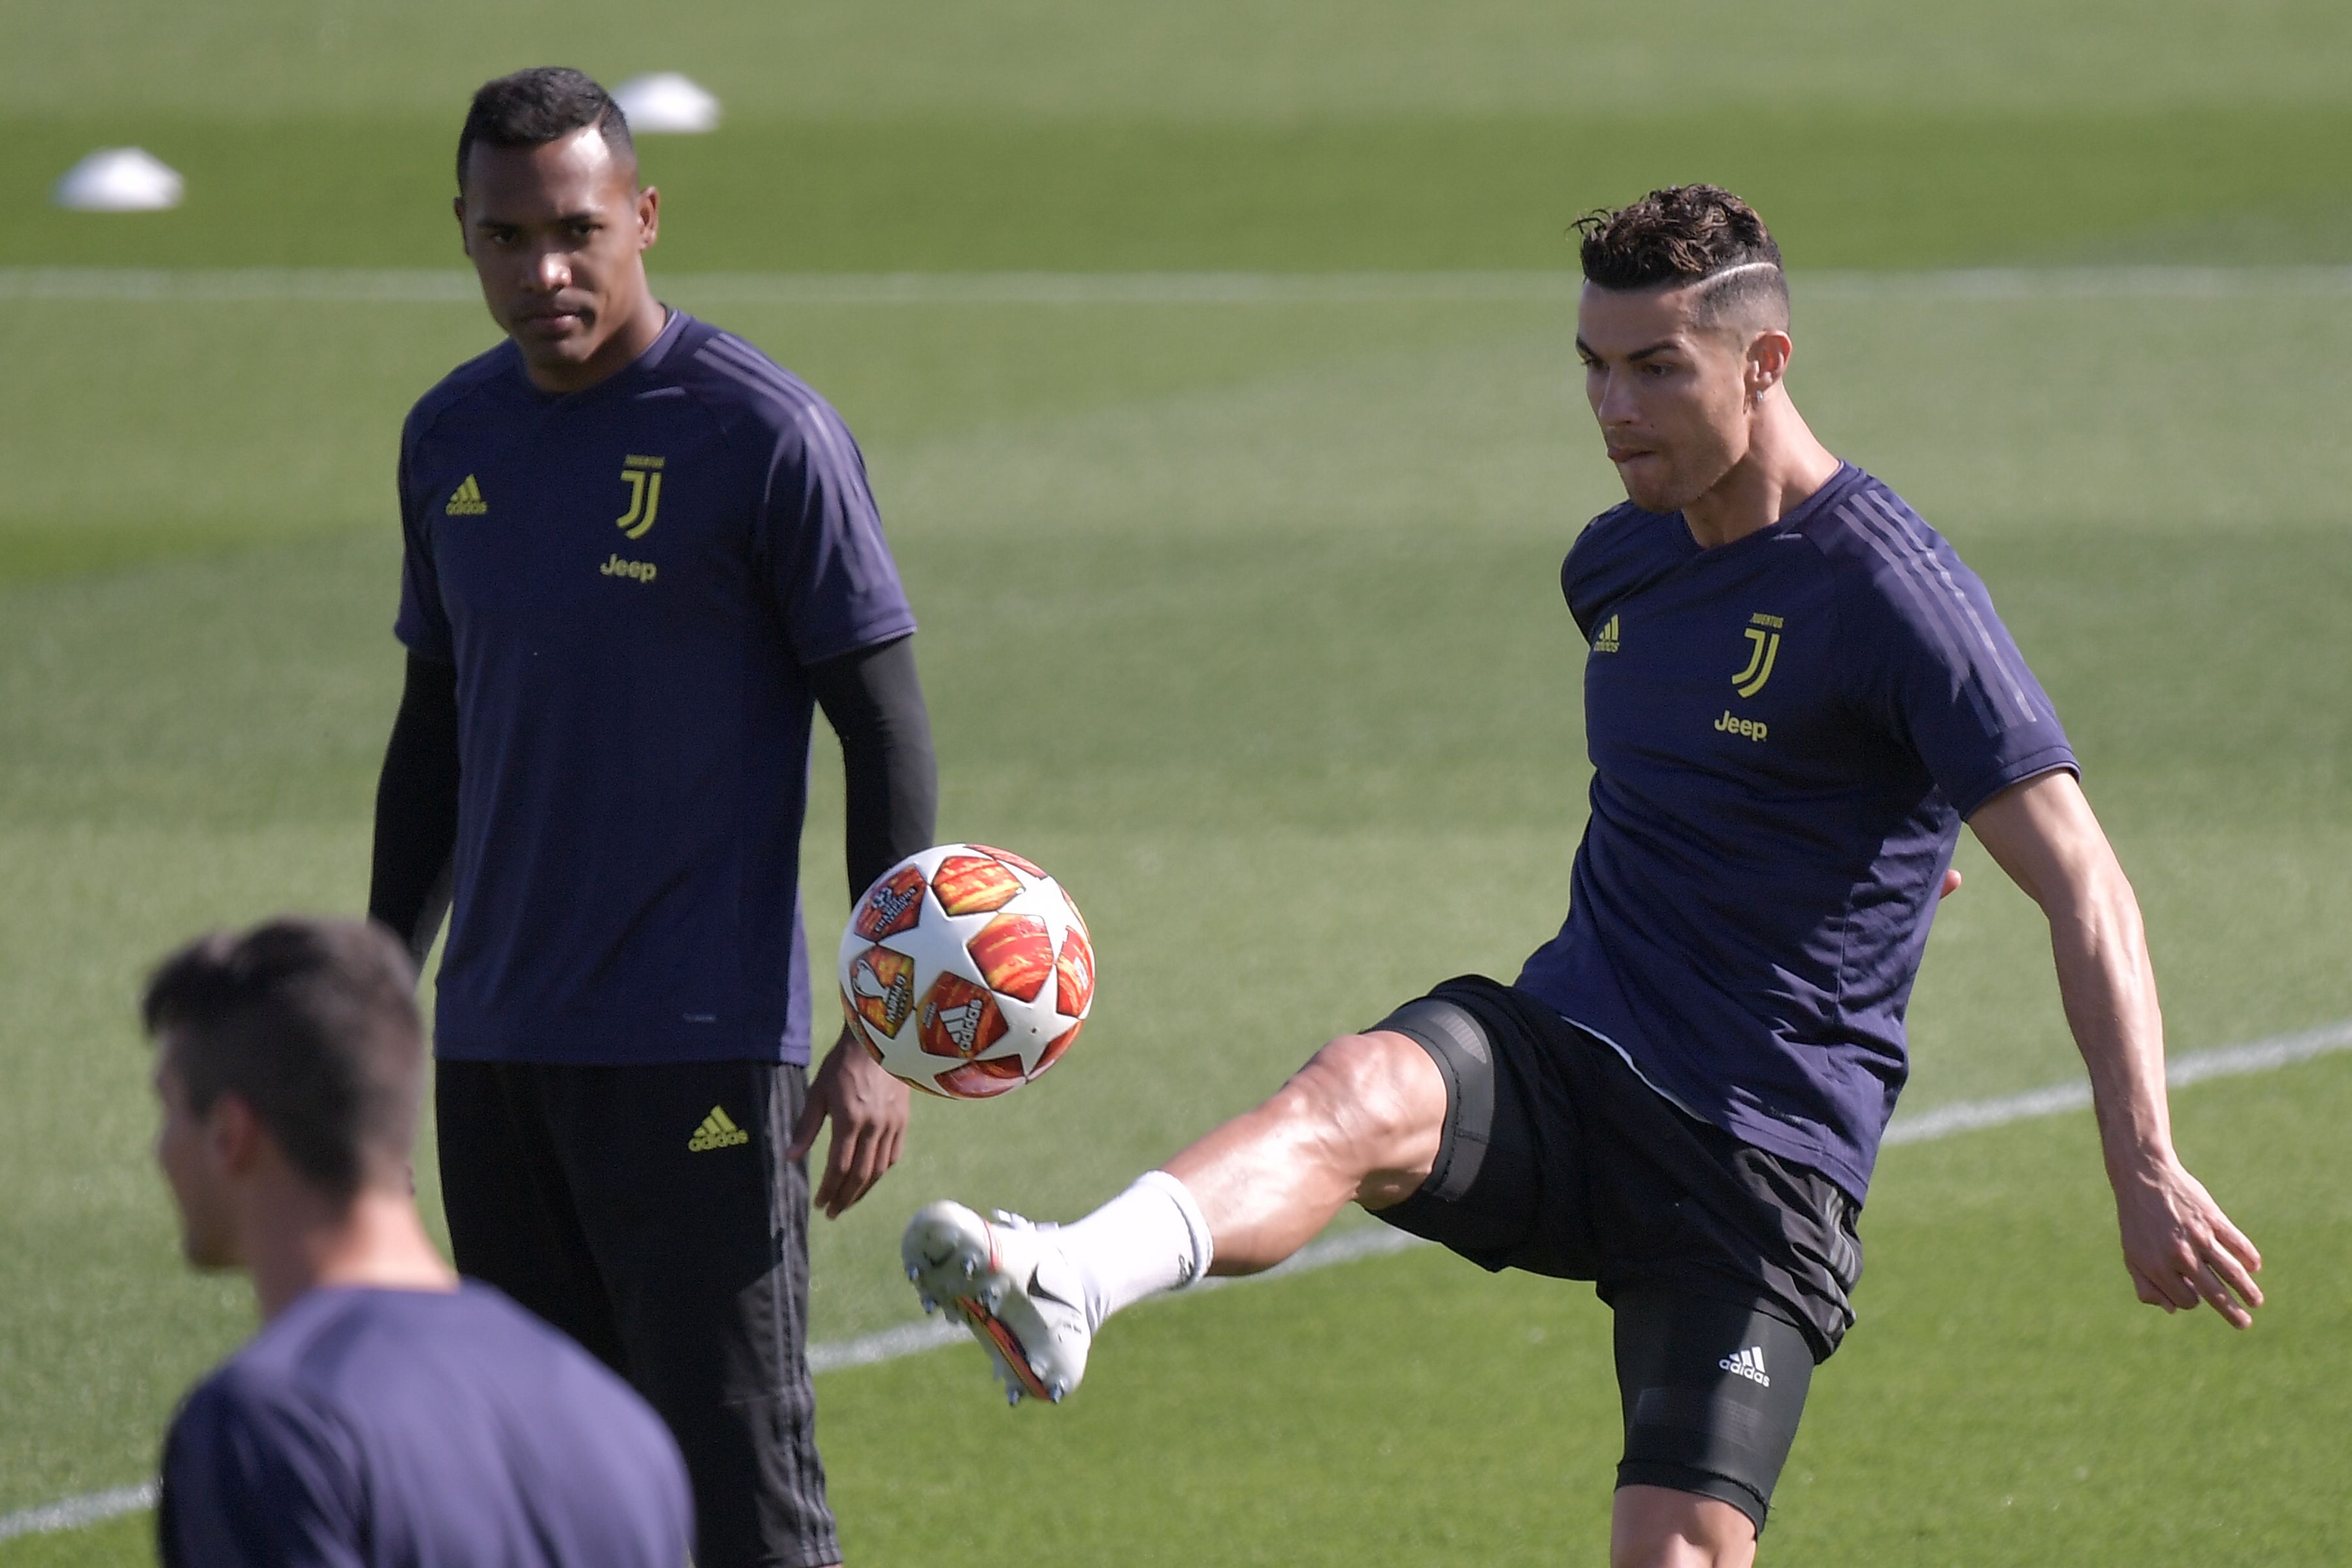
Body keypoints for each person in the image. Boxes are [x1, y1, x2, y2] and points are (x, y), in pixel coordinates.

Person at [900, 186, 2264, 1567]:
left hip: (1759, 1155)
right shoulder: (1619, 564)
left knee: (1673, 1554)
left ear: (1765, 362)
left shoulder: (1894, 596)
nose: (1616, 408)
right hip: (1571, 1054)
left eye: (1658, 367)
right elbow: (1759, 789)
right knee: (1357, 1092)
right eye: (1595, 367)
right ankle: (1072, 1276)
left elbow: (2085, 880)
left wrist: (2143, 1162)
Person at [367, 67, 936, 1568]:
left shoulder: (764, 435)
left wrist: (879, 1027)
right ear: (464, 232)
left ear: (645, 217)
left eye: (574, 230)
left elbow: (881, 728)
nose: (541, 271)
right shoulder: (448, 439)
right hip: (493, 1047)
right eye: (505, 237)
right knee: (545, 1489)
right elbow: (435, 736)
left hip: (697, 1040)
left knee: (734, 1477)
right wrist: (371, 982)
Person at [146, 917, 693, 1567]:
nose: (158, 1148)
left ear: (230, 1134)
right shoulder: (616, 1422)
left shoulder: (270, 1426)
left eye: (171, 1109)